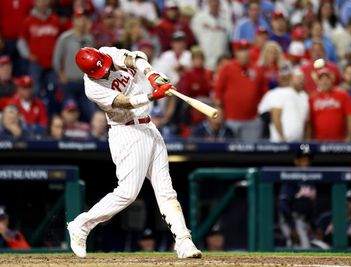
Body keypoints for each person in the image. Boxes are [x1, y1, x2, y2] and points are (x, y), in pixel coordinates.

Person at [68, 46, 201, 259]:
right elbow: (124, 102)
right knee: (128, 192)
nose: (108, 70)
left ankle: (184, 241)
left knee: (166, 190)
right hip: (127, 132)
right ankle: (81, 224)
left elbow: (136, 58)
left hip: (148, 127)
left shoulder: (106, 52)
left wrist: (151, 74)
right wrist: (151, 95)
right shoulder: (92, 87)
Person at [214, 40, 266, 141]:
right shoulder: (227, 68)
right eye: (241, 50)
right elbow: (218, 92)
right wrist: (219, 110)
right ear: (235, 52)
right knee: (230, 153)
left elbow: (263, 92)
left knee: (251, 153)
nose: (244, 53)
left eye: (246, 50)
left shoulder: (257, 69)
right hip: (231, 119)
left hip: (252, 120)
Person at [53, 8, 96, 122]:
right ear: (73, 20)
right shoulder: (65, 38)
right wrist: (61, 75)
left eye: (84, 18)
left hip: (85, 83)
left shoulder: (90, 39)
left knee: (90, 112)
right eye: (79, 18)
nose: (82, 21)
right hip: (69, 82)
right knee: (69, 112)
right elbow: (56, 60)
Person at [278, 145, 317, 248]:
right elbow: (283, 204)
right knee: (303, 249)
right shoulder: (291, 179)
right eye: (303, 159)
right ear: (296, 161)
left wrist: (311, 224)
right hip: (291, 219)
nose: (306, 163)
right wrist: (292, 227)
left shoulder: (311, 180)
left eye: (308, 159)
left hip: (304, 221)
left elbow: (310, 206)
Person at [258, 68, 309, 143]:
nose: (301, 80)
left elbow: (307, 122)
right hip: (281, 141)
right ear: (291, 79)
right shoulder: (280, 92)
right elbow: (275, 117)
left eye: (302, 78)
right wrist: (282, 138)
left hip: (298, 141)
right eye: (298, 78)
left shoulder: (305, 96)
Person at [308, 68, 351, 141]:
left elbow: (350, 117)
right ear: (318, 82)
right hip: (318, 142)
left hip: (339, 142)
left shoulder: (342, 95)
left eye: (327, 79)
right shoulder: (312, 98)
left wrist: (349, 137)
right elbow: (309, 122)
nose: (324, 82)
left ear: (332, 80)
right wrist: (309, 140)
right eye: (321, 79)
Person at [190, 0, 232, 70]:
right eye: (212, 2)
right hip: (204, 61)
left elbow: (229, 43)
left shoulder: (226, 22)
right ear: (208, 3)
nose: (214, 4)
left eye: (216, 2)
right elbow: (193, 41)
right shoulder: (199, 19)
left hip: (220, 62)